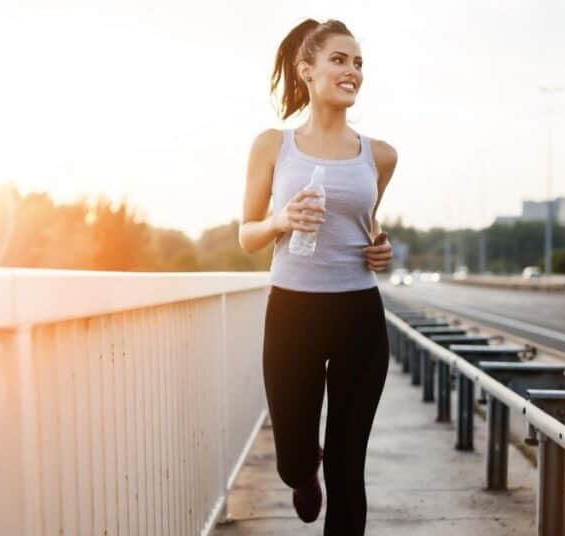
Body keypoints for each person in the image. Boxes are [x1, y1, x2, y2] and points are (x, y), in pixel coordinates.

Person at [238, 18, 398, 536]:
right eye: (339, 60)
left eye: (358, 63)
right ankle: (301, 474)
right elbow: (247, 235)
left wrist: (380, 246)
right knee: (293, 456)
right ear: (307, 70)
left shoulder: (380, 155)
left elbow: (368, 224)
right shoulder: (272, 146)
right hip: (292, 313)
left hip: (358, 315)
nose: (351, 71)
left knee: (348, 467)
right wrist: (282, 219)